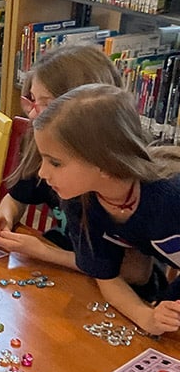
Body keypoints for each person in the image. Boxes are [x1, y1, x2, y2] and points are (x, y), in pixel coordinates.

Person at [32, 83, 180, 335]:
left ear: (104, 163)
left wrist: (168, 301)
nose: (42, 173)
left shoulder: (169, 198)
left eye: (55, 163)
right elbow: (106, 277)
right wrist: (146, 316)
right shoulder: (79, 202)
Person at [0, 45, 124, 269]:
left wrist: (43, 251)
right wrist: (4, 217)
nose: (33, 114)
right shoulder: (46, 148)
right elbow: (17, 197)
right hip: (62, 261)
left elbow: (126, 272)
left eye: (46, 104)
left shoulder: (115, 181)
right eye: (32, 100)